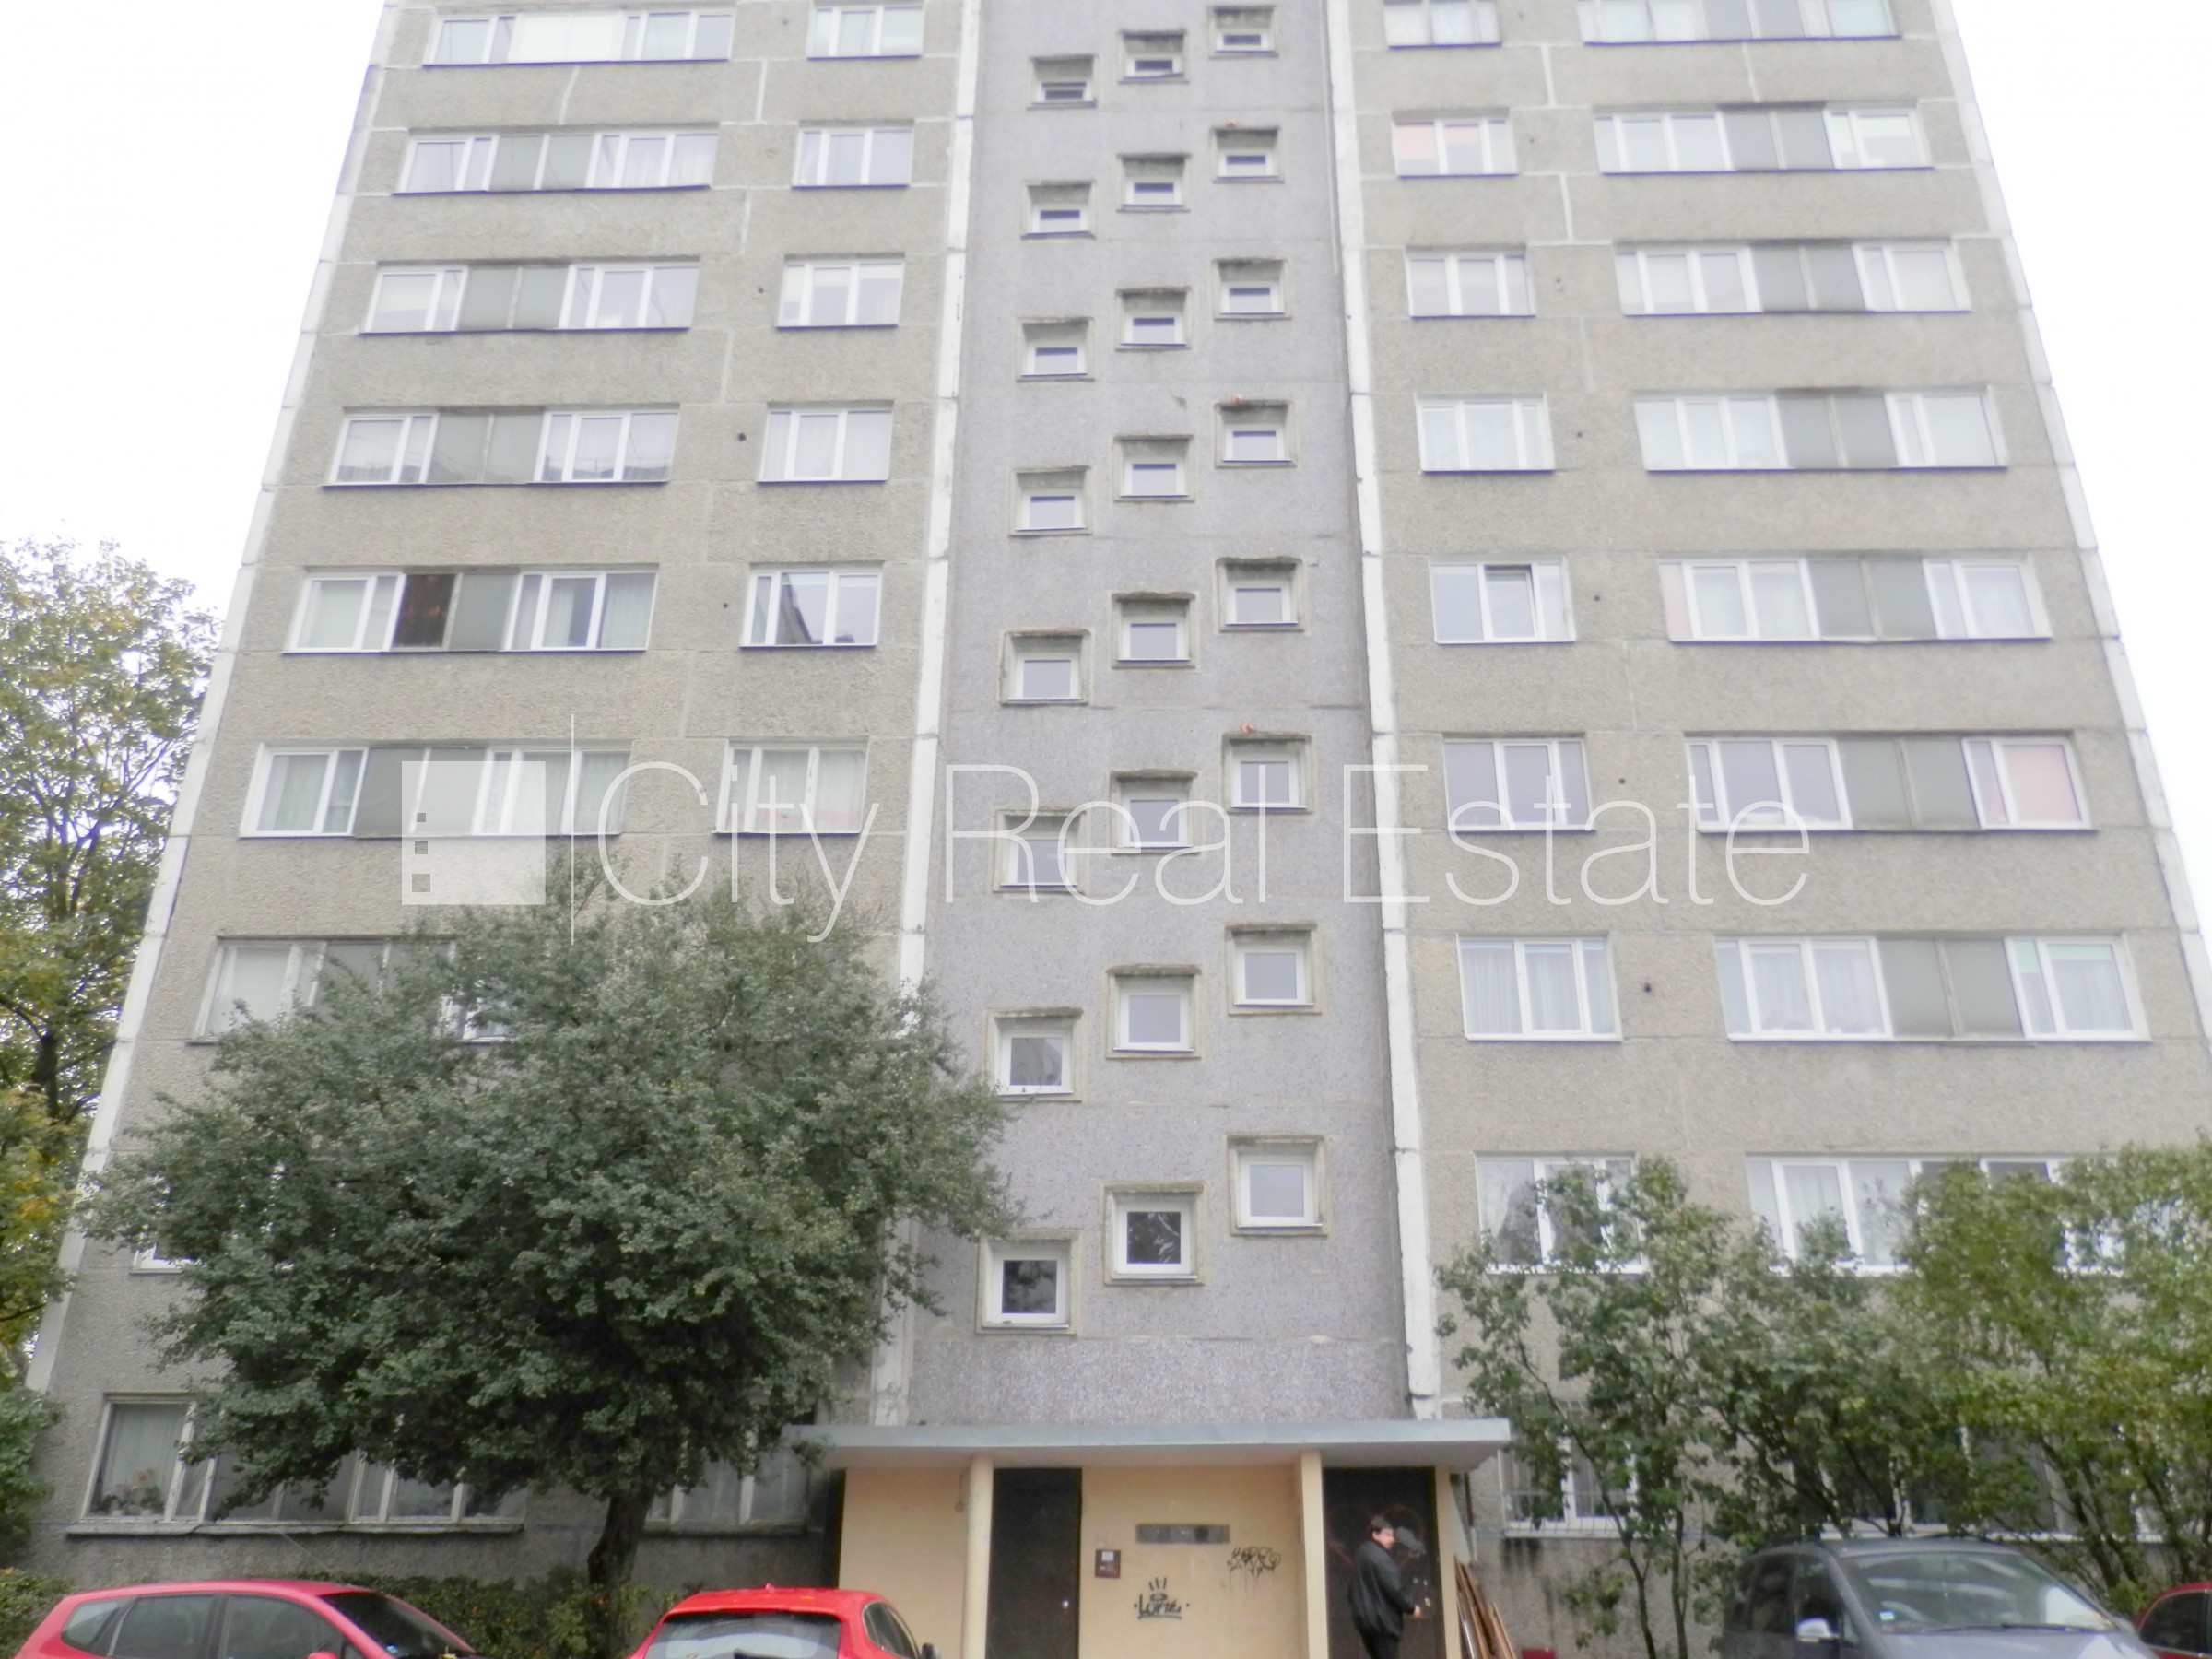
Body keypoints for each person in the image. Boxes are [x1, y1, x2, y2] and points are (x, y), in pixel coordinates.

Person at [1349, 1516, 1421, 1659]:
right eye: (1387, 1535)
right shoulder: (1381, 1558)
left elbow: (1352, 1591)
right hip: (1383, 1622)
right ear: (1375, 1535)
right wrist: (1411, 1607)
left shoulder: (1362, 1555)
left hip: (1366, 1622)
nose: (1392, 1540)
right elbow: (1394, 1587)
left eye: (1392, 1536)